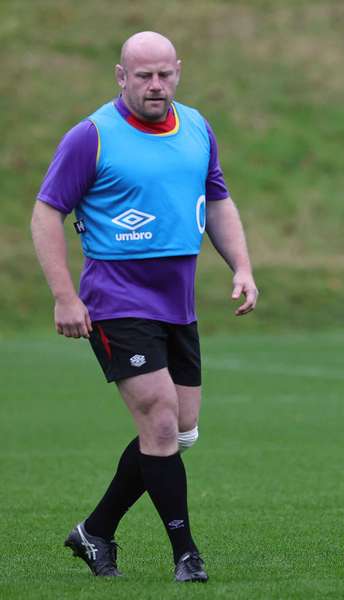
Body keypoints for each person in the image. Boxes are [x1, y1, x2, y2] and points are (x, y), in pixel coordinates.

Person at [31, 31, 258, 582]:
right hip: (117, 299)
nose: (155, 86)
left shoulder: (198, 127)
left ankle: (96, 530)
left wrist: (243, 267)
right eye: (143, 76)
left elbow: (219, 198)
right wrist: (65, 295)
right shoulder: (92, 137)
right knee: (158, 420)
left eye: (164, 74)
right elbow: (45, 214)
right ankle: (187, 555)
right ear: (121, 76)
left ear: (177, 70)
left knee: (180, 431)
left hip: (177, 303)